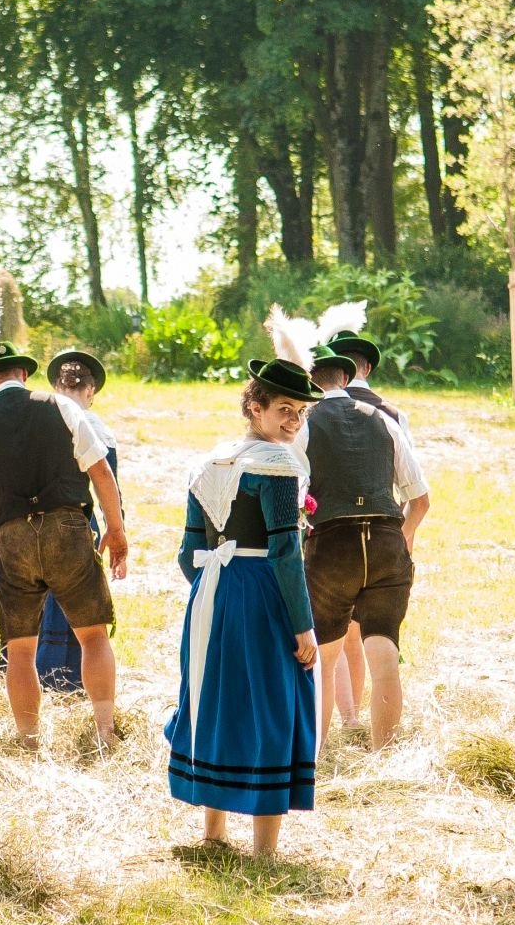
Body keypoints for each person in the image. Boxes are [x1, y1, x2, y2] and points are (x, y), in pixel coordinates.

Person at [166, 352, 321, 858]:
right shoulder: (275, 463)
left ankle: (213, 834)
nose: (293, 421)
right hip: (260, 592)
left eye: (300, 411)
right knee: (270, 705)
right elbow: (285, 553)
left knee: (218, 700)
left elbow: (188, 554)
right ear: (254, 407)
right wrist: (302, 627)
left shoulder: (209, 462)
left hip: (212, 592)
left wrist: (213, 588)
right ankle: (265, 850)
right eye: (283, 408)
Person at [0, 341, 128, 749]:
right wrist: (116, 530)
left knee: (21, 650)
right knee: (93, 637)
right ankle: (104, 732)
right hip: (67, 529)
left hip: (12, 539)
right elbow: (99, 471)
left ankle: (28, 739)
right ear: (23, 374)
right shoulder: (63, 408)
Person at [290, 322, 430, 750]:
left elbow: (294, 496)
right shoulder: (385, 421)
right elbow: (421, 499)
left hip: (332, 546)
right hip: (388, 538)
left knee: (325, 656)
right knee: (384, 647)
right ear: (347, 378)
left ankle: (316, 754)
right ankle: (383, 751)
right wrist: (400, 541)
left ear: (308, 380)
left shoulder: (305, 424)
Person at [318, 303, 396, 714]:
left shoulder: (312, 414)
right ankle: (358, 712)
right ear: (365, 368)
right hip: (385, 529)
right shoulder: (392, 414)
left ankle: (346, 714)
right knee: (373, 631)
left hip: (331, 530)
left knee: (337, 634)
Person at [34, 348, 117, 694]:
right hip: (82, 523)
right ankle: (76, 680)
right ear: (91, 391)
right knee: (85, 606)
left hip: (33, 524)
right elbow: (111, 486)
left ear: (55, 385)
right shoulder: (100, 429)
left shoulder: (36, 423)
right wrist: (117, 530)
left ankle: (40, 677)